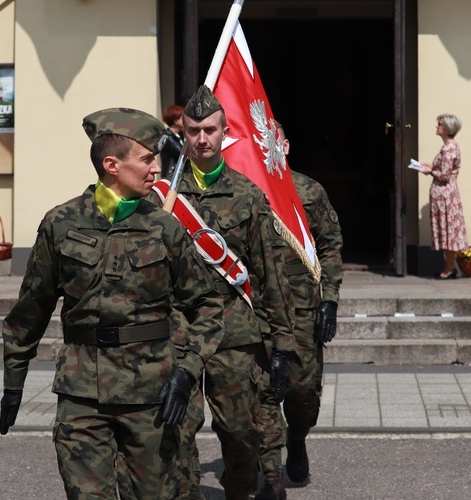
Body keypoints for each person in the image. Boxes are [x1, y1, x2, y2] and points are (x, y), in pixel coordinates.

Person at [0, 107, 224, 499]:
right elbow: (31, 308)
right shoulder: (61, 223)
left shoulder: (165, 227)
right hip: (82, 392)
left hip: (152, 393)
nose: (156, 169)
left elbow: (207, 305)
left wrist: (186, 372)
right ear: (112, 165)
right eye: (147, 159)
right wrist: (13, 382)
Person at [148, 85, 295, 500]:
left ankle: (240, 489)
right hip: (180, 330)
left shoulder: (248, 196)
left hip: (234, 335)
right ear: (183, 134)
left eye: (209, 130)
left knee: (239, 430)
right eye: (193, 130)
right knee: (179, 427)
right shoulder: (165, 199)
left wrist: (282, 344)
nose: (201, 139)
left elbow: (271, 275)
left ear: (225, 131)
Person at [255, 121, 344, 500]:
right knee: (262, 391)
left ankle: (297, 436)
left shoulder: (309, 191)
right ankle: (270, 471)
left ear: (286, 146)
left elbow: (330, 246)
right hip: (258, 310)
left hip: (303, 309)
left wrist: (329, 299)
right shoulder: (246, 194)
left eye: (275, 143)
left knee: (303, 392)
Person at [419, 113, 468, 279]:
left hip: (445, 195)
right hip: (446, 194)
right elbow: (446, 169)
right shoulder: (449, 148)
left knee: (448, 230)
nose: (437, 126)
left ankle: (449, 268)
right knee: (448, 229)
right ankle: (448, 266)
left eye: (439, 124)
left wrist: (430, 171)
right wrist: (432, 166)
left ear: (446, 129)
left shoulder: (448, 149)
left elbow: (445, 175)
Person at [159, 104, 185, 179]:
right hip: (170, 176)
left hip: (175, 175)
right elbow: (182, 153)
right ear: (176, 121)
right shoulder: (168, 137)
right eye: (183, 118)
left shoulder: (176, 136)